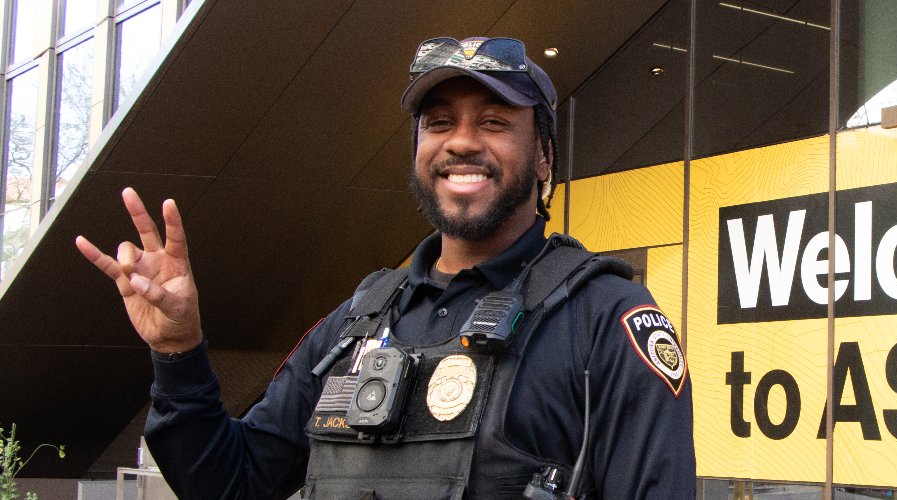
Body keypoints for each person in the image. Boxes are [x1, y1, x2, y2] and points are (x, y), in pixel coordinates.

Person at [75, 36, 695, 499]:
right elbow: (228, 482)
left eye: (496, 122)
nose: (461, 142)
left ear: (543, 157)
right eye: (439, 123)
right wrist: (179, 352)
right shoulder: (356, 322)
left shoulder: (606, 322)